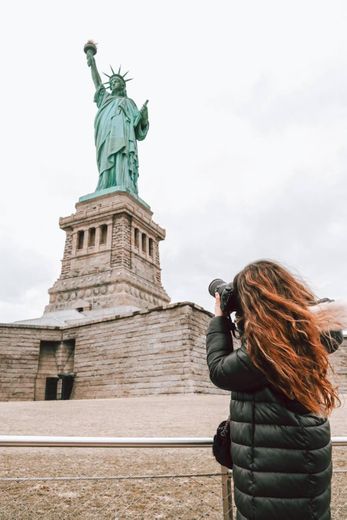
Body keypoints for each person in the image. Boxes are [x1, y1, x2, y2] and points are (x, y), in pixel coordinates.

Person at [206, 260, 344, 520]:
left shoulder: (265, 348)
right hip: (303, 469)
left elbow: (219, 370)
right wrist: (292, 306)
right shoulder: (305, 332)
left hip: (270, 483)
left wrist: (220, 319)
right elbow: (333, 319)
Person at [86, 51, 149, 194]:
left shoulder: (129, 103)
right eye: (112, 82)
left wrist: (144, 117)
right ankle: (105, 184)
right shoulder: (105, 99)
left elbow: (138, 128)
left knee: (122, 157)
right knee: (106, 160)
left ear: (123, 86)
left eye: (117, 82)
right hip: (106, 135)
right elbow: (98, 84)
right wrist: (92, 63)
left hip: (124, 138)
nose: (114, 83)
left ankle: (124, 182)